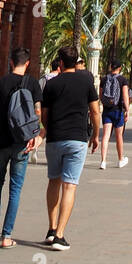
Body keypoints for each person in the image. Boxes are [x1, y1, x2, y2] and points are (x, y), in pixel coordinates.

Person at [0, 47, 43, 247]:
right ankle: (7, 236)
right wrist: (35, 136)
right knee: (15, 188)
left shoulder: (1, 82)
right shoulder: (32, 84)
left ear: (10, 63)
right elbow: (38, 113)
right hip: (22, 143)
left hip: (0, 142)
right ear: (27, 64)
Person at [40, 45, 101, 250]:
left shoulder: (52, 84)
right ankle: (59, 235)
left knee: (53, 182)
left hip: (55, 139)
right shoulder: (86, 81)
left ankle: (51, 228)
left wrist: (49, 130)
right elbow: (94, 111)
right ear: (76, 62)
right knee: (70, 185)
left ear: (60, 62)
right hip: (77, 139)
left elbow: (45, 114)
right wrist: (96, 135)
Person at [98, 59, 129, 170]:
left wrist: (106, 103)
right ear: (120, 68)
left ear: (111, 67)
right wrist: (127, 110)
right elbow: (125, 96)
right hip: (118, 110)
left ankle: (103, 161)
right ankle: (120, 159)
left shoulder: (104, 79)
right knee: (119, 136)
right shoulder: (122, 79)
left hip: (107, 110)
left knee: (106, 136)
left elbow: (100, 95)